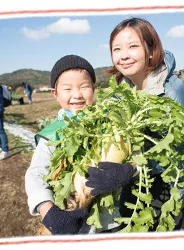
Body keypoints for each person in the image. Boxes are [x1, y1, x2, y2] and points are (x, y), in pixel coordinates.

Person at [101, 17, 184, 230]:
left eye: (133, 46)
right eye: (116, 49)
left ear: (152, 51)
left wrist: (131, 169)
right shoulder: (122, 90)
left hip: (172, 181)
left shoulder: (172, 91)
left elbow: (179, 157)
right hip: (138, 176)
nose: (123, 55)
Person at [25, 55, 135, 235]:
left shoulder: (111, 124)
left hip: (115, 221)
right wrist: (48, 211)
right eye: (67, 89)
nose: (77, 95)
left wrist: (129, 170)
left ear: (93, 88)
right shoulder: (52, 135)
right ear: (55, 93)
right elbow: (35, 174)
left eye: (84, 87)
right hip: (76, 225)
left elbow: (137, 156)